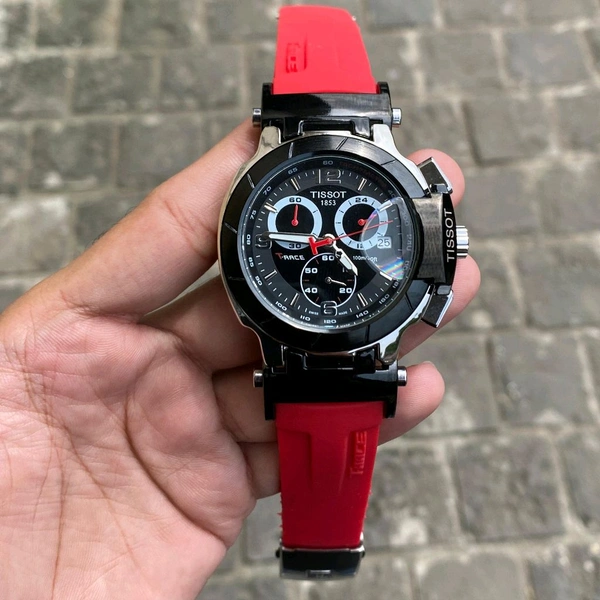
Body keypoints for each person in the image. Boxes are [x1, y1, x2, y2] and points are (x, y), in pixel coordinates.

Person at [0, 121, 480, 598]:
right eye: (311, 234)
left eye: (354, 231)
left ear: (438, 239)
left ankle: (323, 548)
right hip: (299, 350)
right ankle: (319, 550)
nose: (329, 243)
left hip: (334, 349)